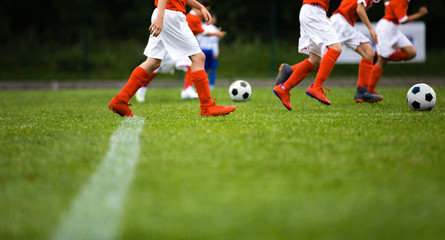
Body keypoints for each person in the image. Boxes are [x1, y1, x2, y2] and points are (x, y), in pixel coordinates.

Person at [108, 0, 236, 117]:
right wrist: (161, 16)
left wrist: (200, 6)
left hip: (165, 14)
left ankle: (120, 100)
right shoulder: (167, 14)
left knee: (153, 62)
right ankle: (207, 107)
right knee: (198, 57)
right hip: (170, 15)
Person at [273, 0, 342, 110]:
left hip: (313, 11)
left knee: (315, 60)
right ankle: (316, 87)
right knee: (336, 48)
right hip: (313, 11)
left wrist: (322, 14)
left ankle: (284, 88)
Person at [368, 0, 428, 95]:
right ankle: (369, 91)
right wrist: (420, 14)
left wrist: (388, 7)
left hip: (395, 29)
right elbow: (402, 20)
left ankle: (383, 55)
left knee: (411, 53)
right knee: (381, 60)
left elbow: (387, 3)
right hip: (386, 29)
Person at [330, 0, 384, 102]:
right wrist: (371, 29)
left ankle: (362, 92)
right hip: (340, 23)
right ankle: (290, 71)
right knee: (318, 61)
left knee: (369, 53)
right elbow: (360, 9)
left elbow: (360, 8)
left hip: (346, 24)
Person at [197, 12, 221, 89]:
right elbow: (215, 42)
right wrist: (216, 52)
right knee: (212, 69)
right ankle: (211, 85)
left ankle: (205, 85)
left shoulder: (201, 27)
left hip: (202, 50)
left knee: (204, 69)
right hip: (211, 50)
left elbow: (198, 40)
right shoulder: (214, 29)